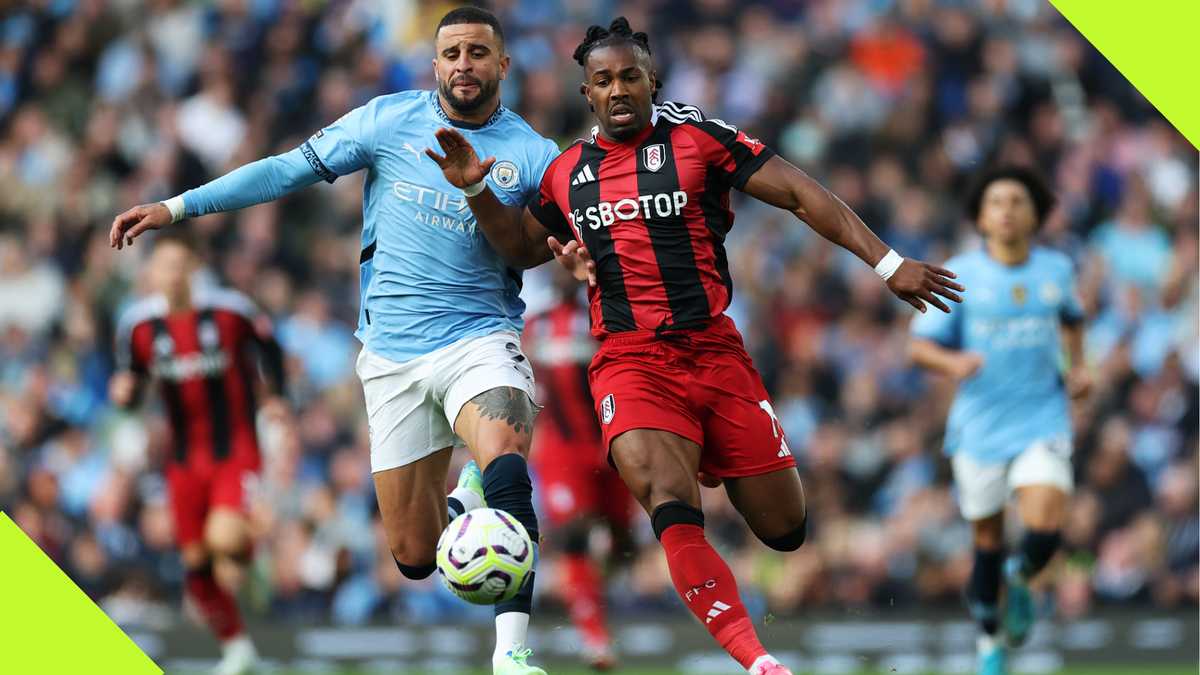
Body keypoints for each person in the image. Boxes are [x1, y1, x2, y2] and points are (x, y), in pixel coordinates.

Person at [425, 17, 963, 675]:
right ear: (587, 93)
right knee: (670, 506)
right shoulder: (568, 172)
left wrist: (887, 264)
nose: (618, 89)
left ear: (652, 80)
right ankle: (759, 660)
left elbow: (797, 192)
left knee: (785, 529)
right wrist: (476, 189)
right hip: (630, 361)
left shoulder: (700, 140)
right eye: (603, 80)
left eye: (629, 76)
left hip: (715, 351)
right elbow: (517, 245)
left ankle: (709, 450)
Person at [108, 7, 558, 674]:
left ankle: (512, 651)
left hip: (479, 338)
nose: (464, 64)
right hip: (391, 357)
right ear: (435, 64)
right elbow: (286, 170)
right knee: (413, 555)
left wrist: (487, 198)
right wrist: (179, 207)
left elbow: (538, 247)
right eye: (452, 53)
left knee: (507, 459)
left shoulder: (533, 154)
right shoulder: (387, 121)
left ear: (503, 65)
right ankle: (465, 499)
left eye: (477, 53)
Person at [909, 166, 1091, 675]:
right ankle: (989, 638)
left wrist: (1079, 371)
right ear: (981, 218)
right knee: (985, 540)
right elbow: (917, 346)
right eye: (996, 202)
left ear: (1035, 215)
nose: (1007, 210)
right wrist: (954, 363)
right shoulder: (961, 274)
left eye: (1017, 201)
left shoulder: (1056, 270)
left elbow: (1074, 321)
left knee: (1046, 523)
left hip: (1043, 417)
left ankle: (1021, 572)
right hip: (979, 428)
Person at [111, 231, 286, 675]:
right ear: (150, 273)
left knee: (224, 539)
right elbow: (131, 386)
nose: (170, 275)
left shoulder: (230, 312)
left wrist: (277, 397)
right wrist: (125, 396)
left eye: (178, 265)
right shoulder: (138, 327)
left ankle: (251, 551)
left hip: (235, 448)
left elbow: (271, 347)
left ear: (192, 269)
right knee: (195, 564)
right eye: (161, 266)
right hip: (184, 458)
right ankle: (237, 649)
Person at [523, 266, 631, 670]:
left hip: (613, 440)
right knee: (573, 534)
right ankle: (595, 639)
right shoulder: (536, 326)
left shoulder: (608, 315)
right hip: (563, 451)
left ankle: (605, 583)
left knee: (622, 539)